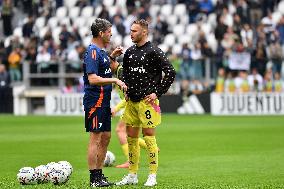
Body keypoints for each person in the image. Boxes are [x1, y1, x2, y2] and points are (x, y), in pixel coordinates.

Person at [116, 19, 176, 187]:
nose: (131, 33)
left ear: (144, 32)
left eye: (134, 31)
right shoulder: (128, 52)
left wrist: (157, 92)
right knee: (131, 138)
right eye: (130, 30)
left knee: (149, 137)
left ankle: (152, 175)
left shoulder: (154, 51)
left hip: (147, 103)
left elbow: (170, 72)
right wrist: (126, 91)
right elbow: (125, 74)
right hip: (132, 102)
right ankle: (132, 175)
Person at [83, 18, 127, 187]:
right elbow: (93, 79)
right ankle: (93, 178)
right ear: (101, 33)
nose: (111, 34)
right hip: (95, 101)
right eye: (109, 32)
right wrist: (114, 81)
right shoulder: (92, 52)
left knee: (106, 137)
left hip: (104, 101)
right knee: (95, 138)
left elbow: (102, 66)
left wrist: (111, 56)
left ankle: (100, 175)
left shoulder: (101, 52)